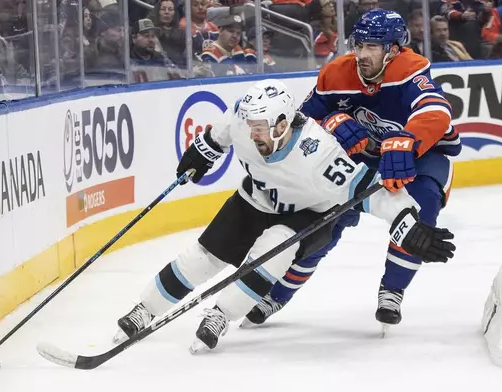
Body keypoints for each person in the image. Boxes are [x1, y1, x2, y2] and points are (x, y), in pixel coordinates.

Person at [111, 79, 455, 353]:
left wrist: (409, 227)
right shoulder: (244, 121)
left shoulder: (320, 155)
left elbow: (374, 193)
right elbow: (221, 133)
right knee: (200, 260)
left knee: (266, 263)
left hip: (299, 216)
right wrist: (204, 151)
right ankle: (144, 309)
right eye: (250, 124)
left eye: (260, 126)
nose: (252, 132)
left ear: (282, 123)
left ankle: (220, 315)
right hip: (254, 200)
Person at [243, 9, 461, 334]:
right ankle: (277, 293)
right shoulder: (336, 75)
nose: (362, 54)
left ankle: (392, 290)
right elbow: (301, 121)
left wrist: (408, 141)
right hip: (364, 159)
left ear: (393, 50)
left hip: (420, 156)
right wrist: (331, 124)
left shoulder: (409, 70)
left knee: (422, 206)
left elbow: (436, 109)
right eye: (359, 45)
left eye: (373, 47)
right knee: (323, 220)